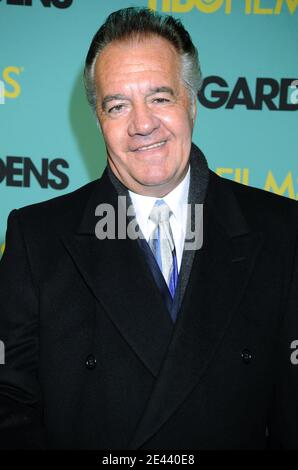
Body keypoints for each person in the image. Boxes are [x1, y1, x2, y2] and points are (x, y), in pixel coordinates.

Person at [0, 7, 297, 450]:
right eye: (117, 105)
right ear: (98, 119)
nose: (142, 124)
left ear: (192, 103)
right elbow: (9, 400)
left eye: (160, 97)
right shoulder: (37, 237)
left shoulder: (283, 231)